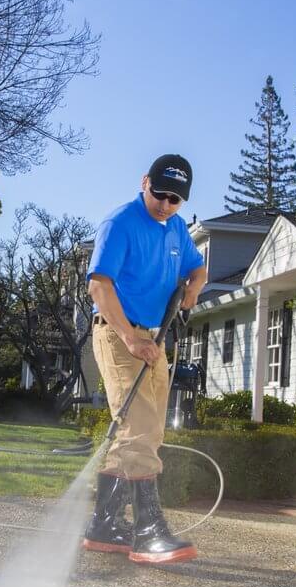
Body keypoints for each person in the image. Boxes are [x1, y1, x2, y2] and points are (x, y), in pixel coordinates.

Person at [83, 153, 207, 565]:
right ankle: (148, 531)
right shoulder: (120, 223)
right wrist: (129, 338)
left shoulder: (175, 229)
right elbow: (99, 286)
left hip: (155, 339)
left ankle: (106, 524)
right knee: (137, 426)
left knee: (147, 432)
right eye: (160, 194)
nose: (166, 205)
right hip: (119, 332)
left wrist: (193, 287)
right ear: (144, 183)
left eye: (175, 199)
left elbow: (198, 268)